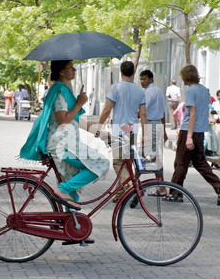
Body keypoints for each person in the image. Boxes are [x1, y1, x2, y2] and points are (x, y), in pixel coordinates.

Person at [20, 60, 109, 210]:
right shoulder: (60, 91)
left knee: (72, 195)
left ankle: (72, 229)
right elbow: (63, 120)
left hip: (65, 143)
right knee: (101, 164)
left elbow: (76, 119)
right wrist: (80, 103)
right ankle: (63, 189)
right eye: (70, 67)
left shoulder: (64, 91)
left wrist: (100, 133)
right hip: (63, 144)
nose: (74, 70)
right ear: (61, 71)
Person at [168, 65, 220, 206]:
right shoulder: (203, 90)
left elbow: (193, 114)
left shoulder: (191, 91)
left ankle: (176, 193)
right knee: (199, 162)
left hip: (188, 131)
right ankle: (219, 186)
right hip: (200, 132)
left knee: (181, 163)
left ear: (186, 76)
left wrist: (188, 137)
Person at [95, 61, 148, 202]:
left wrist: (99, 126)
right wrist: (146, 134)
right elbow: (143, 114)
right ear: (133, 72)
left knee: (118, 162)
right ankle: (119, 196)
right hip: (132, 130)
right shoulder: (139, 90)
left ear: (121, 72)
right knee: (127, 163)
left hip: (119, 129)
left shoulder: (116, 88)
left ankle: (131, 187)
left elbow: (107, 109)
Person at [137, 69, 168, 198]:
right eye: (141, 79)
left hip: (150, 126)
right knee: (151, 157)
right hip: (156, 124)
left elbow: (141, 111)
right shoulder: (159, 91)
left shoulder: (149, 92)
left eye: (144, 79)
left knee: (146, 157)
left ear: (151, 79)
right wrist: (164, 130)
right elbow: (163, 112)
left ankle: (160, 188)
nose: (142, 82)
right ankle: (160, 187)